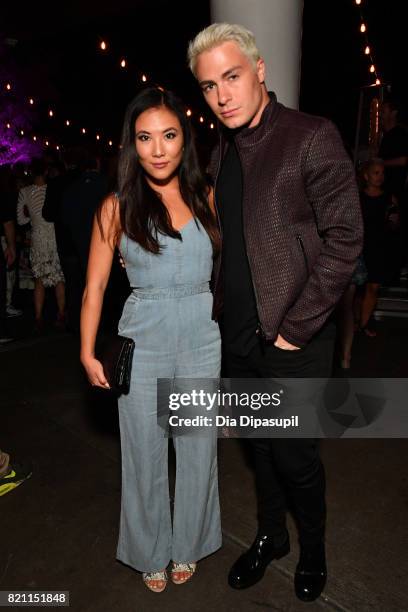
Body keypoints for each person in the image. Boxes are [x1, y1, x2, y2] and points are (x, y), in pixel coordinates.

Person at [188, 23, 363, 602]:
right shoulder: (223, 149)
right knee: (260, 448)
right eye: (210, 86)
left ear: (260, 70)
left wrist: (295, 328)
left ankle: (312, 548)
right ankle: (271, 537)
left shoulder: (311, 136)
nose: (223, 95)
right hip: (237, 337)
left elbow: (346, 239)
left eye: (232, 77)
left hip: (292, 339)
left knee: (295, 455)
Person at [80, 87, 222, 593]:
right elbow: (95, 286)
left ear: (185, 140)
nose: (158, 149)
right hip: (144, 335)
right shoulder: (116, 207)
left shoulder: (207, 197)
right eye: (145, 137)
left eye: (168, 135)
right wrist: (86, 350)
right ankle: (148, 550)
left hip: (202, 335)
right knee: (143, 451)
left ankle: (189, 543)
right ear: (131, 144)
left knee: (198, 447)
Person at [17, 158, 65, 331]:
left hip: (37, 236)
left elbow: (21, 220)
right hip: (53, 235)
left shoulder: (24, 191)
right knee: (59, 277)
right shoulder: (52, 188)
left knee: (38, 280)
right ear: (46, 171)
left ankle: (38, 318)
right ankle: (61, 315)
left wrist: (33, 217)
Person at [359, 158, 398, 336]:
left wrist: (393, 220)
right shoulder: (357, 197)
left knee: (373, 287)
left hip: (380, 247)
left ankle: (363, 325)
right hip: (360, 247)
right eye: (376, 173)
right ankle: (358, 322)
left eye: (382, 173)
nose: (380, 176)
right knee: (359, 287)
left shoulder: (389, 198)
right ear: (366, 176)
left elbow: (394, 224)